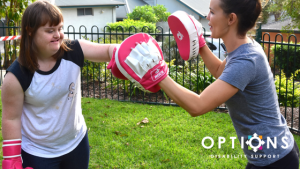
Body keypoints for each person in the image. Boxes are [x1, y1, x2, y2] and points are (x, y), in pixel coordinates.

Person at [112, 0, 299, 168]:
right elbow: (220, 72)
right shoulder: (245, 48)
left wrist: (159, 74)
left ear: (231, 18)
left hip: (276, 159)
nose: (207, 17)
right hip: (266, 155)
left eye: (212, 12)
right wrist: (200, 44)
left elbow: (198, 106)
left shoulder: (247, 60)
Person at [1, 1, 118, 169]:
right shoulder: (16, 76)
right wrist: (11, 159)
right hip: (37, 152)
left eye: (60, 28)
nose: (58, 35)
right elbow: (11, 119)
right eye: (50, 31)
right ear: (30, 31)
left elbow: (108, 51)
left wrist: (131, 51)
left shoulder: (74, 51)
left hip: (76, 143)